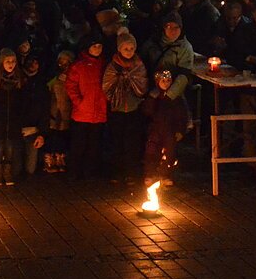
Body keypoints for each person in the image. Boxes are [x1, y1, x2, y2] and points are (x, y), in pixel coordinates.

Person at [102, 30, 149, 185]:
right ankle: (116, 172)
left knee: (132, 142)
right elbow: (107, 86)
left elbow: (141, 84)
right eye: (125, 49)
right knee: (117, 141)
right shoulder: (112, 66)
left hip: (133, 109)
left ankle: (130, 172)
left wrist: (131, 81)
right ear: (119, 49)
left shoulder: (139, 65)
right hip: (117, 109)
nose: (129, 52)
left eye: (131, 49)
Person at [65, 36, 108, 180]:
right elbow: (71, 86)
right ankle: (74, 172)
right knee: (79, 144)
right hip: (82, 113)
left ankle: (89, 173)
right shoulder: (79, 65)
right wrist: (79, 102)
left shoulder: (104, 64)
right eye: (94, 46)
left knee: (94, 146)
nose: (97, 49)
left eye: (99, 46)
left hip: (99, 112)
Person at [0, 48, 29, 186]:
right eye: (8, 61)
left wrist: (19, 118)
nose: (11, 64)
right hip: (0, 121)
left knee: (10, 147)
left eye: (13, 61)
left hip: (13, 121)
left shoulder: (19, 81)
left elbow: (22, 102)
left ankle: (7, 172)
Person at [142, 69, 189, 185]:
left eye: (168, 81)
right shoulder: (153, 96)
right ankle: (150, 174)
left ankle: (166, 175)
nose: (166, 83)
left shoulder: (175, 98)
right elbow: (147, 113)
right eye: (163, 81)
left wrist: (180, 130)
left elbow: (182, 115)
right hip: (155, 130)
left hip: (170, 130)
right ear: (157, 81)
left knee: (170, 153)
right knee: (152, 152)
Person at [45, 51, 74, 175]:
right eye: (61, 61)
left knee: (63, 135)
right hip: (54, 110)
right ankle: (50, 157)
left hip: (67, 111)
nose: (63, 64)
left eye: (66, 62)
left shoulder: (73, 76)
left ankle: (61, 157)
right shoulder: (53, 77)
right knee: (53, 135)